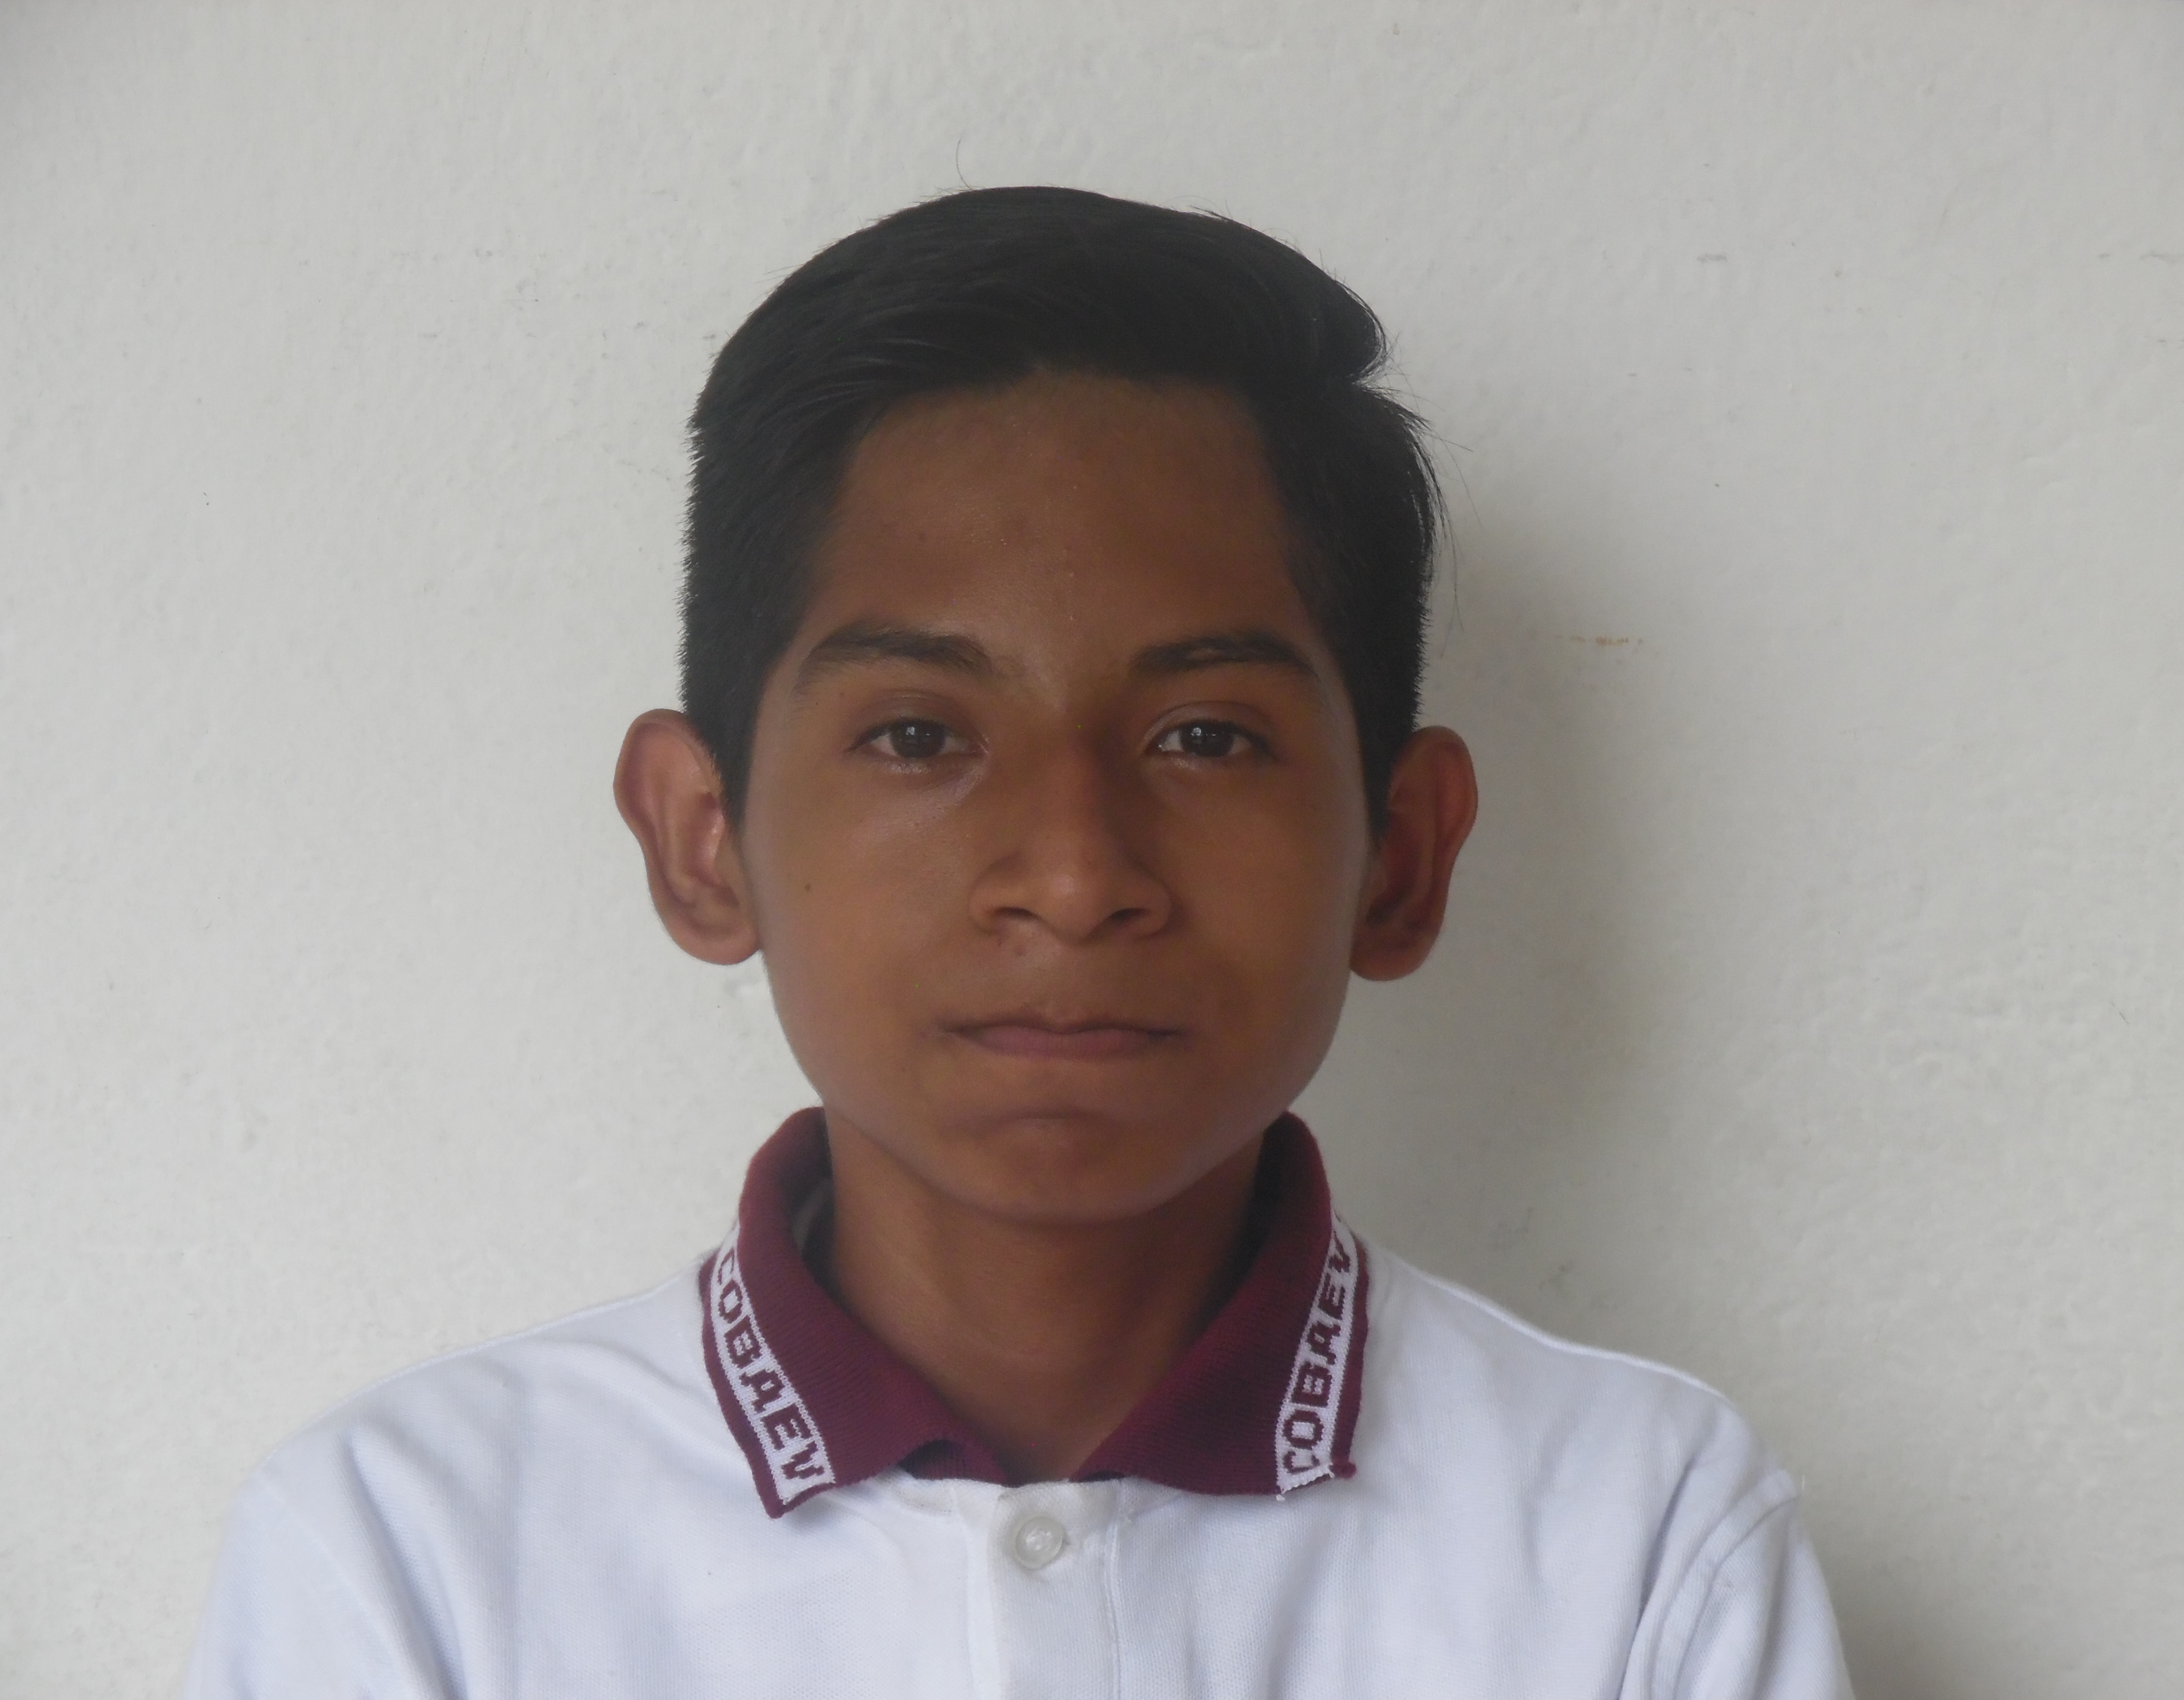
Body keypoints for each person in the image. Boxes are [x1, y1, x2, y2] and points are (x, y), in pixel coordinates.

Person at [182, 186, 1853, 1698]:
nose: (1071, 877)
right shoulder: (413, 1556)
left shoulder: (1637, 1539)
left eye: (1207, 737)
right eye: (918, 735)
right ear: (704, 840)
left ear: (1398, 860)